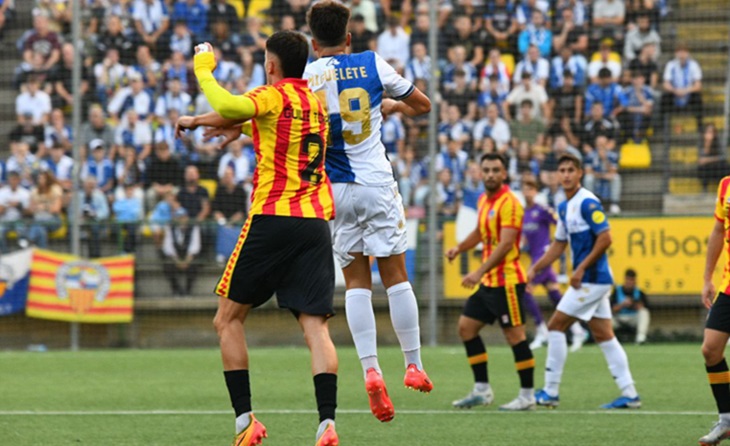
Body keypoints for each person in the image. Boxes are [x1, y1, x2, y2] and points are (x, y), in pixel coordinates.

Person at [175, 31, 339, 445]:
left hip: (272, 216)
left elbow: (231, 105)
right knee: (315, 326)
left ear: (271, 64)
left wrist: (203, 68)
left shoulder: (271, 94)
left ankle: (246, 422)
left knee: (227, 319)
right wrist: (208, 124)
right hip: (315, 222)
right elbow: (271, 130)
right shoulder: (315, 105)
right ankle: (327, 423)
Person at [304, 0, 433, 423]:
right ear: (348, 36)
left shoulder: (307, 77)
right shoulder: (373, 63)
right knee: (395, 275)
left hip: (336, 189)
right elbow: (423, 105)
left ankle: (371, 369)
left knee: (356, 283)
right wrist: (394, 106)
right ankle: (413, 364)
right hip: (376, 181)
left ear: (312, 40)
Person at [529, 153, 641, 409]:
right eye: (563, 170)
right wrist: (536, 268)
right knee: (604, 335)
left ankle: (550, 391)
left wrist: (579, 269)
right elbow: (559, 245)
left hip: (593, 280)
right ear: (558, 175)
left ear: (580, 173)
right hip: (591, 281)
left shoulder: (588, 203)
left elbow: (606, 238)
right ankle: (630, 394)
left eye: (571, 169)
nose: (566, 174)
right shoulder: (563, 206)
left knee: (556, 325)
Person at [446, 153, 536, 411]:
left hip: (507, 282)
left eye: (496, 170)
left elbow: (507, 243)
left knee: (515, 336)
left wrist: (477, 272)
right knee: (466, 328)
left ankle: (527, 396)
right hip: (489, 282)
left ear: (505, 173)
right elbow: (480, 232)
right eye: (486, 170)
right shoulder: (484, 199)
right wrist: (460, 248)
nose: (490, 174)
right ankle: (482, 390)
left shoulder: (511, 203)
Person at [520, 179, 586, 351]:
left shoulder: (541, 210)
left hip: (542, 258)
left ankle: (542, 330)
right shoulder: (523, 214)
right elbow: (526, 237)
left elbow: (559, 222)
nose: (527, 192)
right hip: (535, 257)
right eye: (524, 189)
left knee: (525, 289)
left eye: (530, 189)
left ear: (535, 192)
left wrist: (556, 243)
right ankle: (577, 330)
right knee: (555, 295)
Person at [699, 175, 730, 445]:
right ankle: (727, 420)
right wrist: (707, 278)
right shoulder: (725, 186)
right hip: (729, 286)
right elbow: (718, 231)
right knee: (711, 349)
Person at [161, 207, 201, 296]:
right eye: (179, 217)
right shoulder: (170, 227)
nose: (181, 220)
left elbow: (195, 246)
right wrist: (177, 261)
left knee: (194, 265)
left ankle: (187, 290)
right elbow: (168, 246)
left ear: (187, 218)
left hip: (188, 256)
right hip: (176, 256)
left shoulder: (193, 226)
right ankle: (176, 290)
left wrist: (187, 260)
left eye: (183, 217)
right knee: (167, 265)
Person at [611, 269, 650, 345]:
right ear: (625, 279)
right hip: (619, 318)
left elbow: (642, 307)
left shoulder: (639, 292)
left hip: (633, 318)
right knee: (607, 318)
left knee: (644, 313)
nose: (629, 282)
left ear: (635, 280)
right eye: (628, 279)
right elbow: (612, 309)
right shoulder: (617, 291)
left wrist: (632, 303)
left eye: (631, 280)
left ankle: (640, 338)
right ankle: (607, 340)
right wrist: (623, 304)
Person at [28, 171, 63, 249]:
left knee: (38, 225)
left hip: (53, 219)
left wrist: (44, 207)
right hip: (38, 218)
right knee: (41, 230)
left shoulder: (55, 189)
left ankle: (29, 240)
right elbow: (30, 210)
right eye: (39, 178)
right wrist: (35, 208)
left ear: (48, 179)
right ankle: (43, 253)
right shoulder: (34, 190)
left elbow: (56, 209)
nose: (40, 180)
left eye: (42, 178)